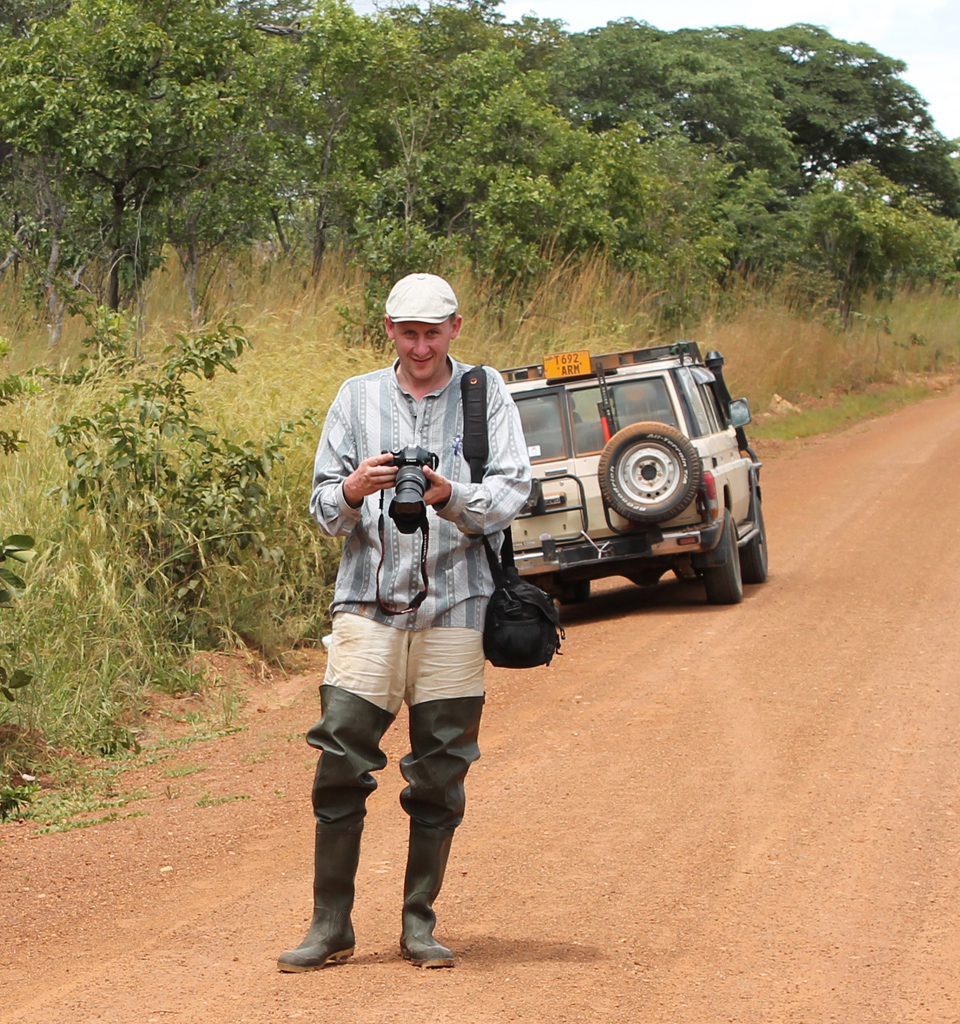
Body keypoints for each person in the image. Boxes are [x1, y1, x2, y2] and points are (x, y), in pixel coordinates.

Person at [277, 273, 531, 972]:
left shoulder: (486, 393)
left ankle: (418, 924)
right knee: (339, 761)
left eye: (433, 332)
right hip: (366, 605)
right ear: (388, 328)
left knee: (441, 772)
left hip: (458, 605)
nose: (421, 347)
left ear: (455, 328)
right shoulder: (355, 397)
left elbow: (513, 490)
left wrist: (451, 495)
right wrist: (355, 489)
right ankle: (330, 925)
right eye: (408, 332)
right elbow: (324, 507)